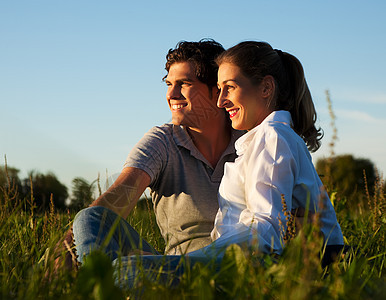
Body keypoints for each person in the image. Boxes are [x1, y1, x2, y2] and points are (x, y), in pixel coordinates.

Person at [116, 41, 344, 286]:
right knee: (104, 237)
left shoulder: (273, 138)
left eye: (230, 88)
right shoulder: (262, 139)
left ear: (266, 88)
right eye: (220, 89)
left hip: (249, 266)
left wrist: (192, 263)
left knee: (127, 271)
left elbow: (265, 227)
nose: (221, 101)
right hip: (233, 259)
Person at [71, 39, 244, 265]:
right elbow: (116, 200)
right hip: (176, 268)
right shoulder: (163, 141)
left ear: (217, 91)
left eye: (184, 83)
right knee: (91, 218)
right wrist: (60, 255)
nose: (171, 94)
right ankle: (101, 283)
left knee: (130, 271)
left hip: (235, 266)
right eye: (168, 83)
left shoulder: (249, 143)